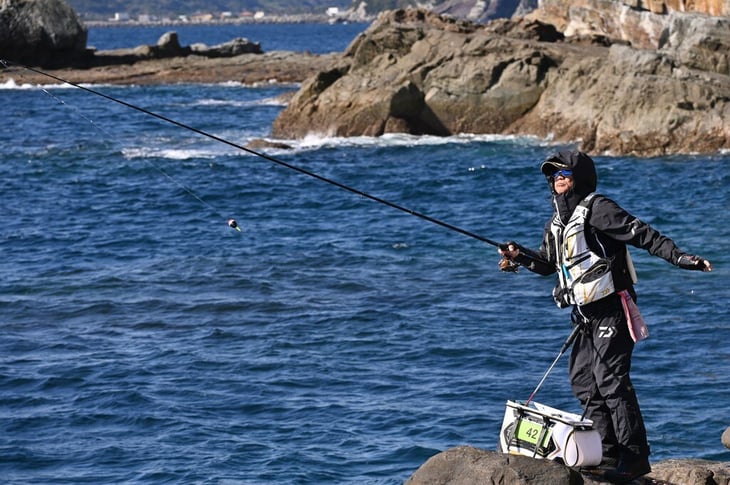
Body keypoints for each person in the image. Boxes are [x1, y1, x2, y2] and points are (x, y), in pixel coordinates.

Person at [498, 150, 712, 483]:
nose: (559, 181)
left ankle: (635, 458)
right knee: (584, 382)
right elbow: (548, 264)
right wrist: (519, 256)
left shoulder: (599, 209)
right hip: (584, 314)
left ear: (579, 178)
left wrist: (682, 258)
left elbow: (643, 235)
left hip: (613, 307)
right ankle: (607, 451)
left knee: (611, 380)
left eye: (565, 175)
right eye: (554, 177)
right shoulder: (555, 223)